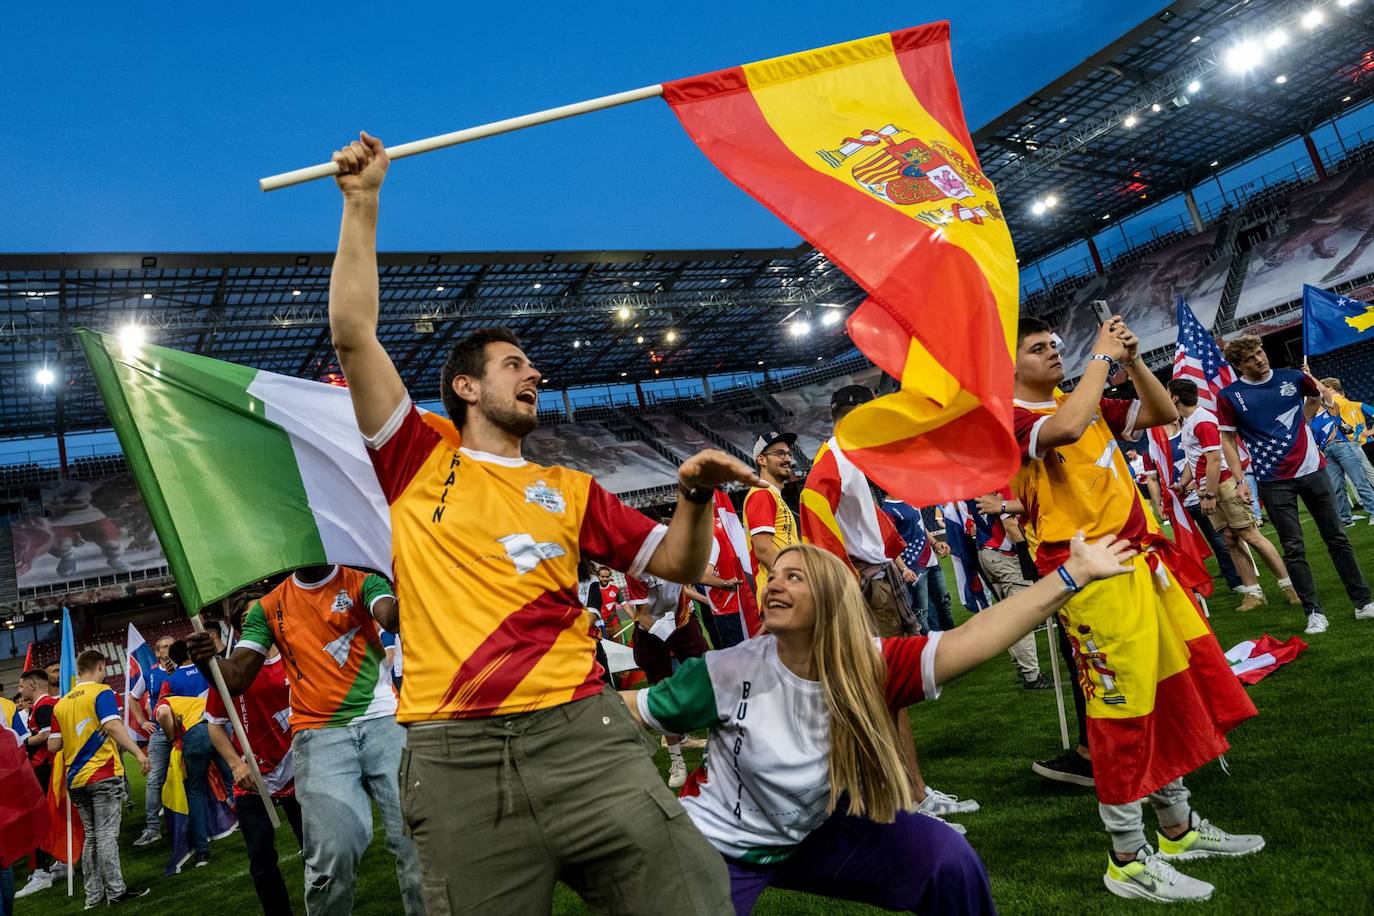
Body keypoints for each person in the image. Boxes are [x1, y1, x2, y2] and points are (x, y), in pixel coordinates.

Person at [323, 129, 758, 915]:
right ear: (464, 386)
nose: (535, 373)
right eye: (514, 364)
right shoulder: (418, 456)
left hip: (585, 735)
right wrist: (363, 202)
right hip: (458, 761)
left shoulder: (573, 488)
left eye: (532, 365)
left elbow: (683, 567)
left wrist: (693, 496)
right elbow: (354, 335)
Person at [621, 537, 1136, 915]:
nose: (774, 581)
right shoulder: (724, 671)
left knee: (947, 861)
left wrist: (1073, 574)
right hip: (718, 845)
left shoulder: (872, 663)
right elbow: (630, 709)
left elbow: (976, 636)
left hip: (815, 828)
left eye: (794, 575)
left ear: (829, 596)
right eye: (774, 574)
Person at [1013, 316, 1263, 903]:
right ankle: (1125, 857)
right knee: (1120, 714)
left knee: (1167, 695)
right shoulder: (1011, 414)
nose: (1053, 352)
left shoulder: (1074, 395)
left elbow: (1160, 414)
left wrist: (1130, 361)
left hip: (1138, 564)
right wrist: (1099, 358)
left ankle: (1176, 829)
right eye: (1037, 347)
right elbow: (1070, 427)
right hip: (1090, 581)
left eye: (1055, 343)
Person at [189, 565, 423, 915]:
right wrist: (208, 661)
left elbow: (389, 617)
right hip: (318, 734)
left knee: (417, 843)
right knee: (332, 856)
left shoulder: (362, 582)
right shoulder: (269, 606)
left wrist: (415, 586)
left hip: (383, 721)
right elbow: (235, 677)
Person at [802, 385, 973, 824]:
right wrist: (848, 578)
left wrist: (889, 553)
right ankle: (905, 799)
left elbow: (858, 519)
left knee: (889, 693)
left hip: (875, 581)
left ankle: (909, 793)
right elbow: (815, 513)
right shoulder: (836, 458)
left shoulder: (846, 457)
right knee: (884, 694)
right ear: (852, 415)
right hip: (865, 589)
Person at [1216, 337, 1374, 633]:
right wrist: (1240, 480)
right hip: (1272, 480)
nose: (1259, 359)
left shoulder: (1293, 377)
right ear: (1238, 365)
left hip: (1313, 469)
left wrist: (1304, 417)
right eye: (1250, 358)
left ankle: (1362, 603)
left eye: (1260, 352)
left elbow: (1318, 397)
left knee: (1337, 538)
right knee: (1293, 547)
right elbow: (1227, 439)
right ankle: (1314, 612)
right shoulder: (1229, 396)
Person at [1167, 379, 1299, 612]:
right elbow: (1194, 458)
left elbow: (1215, 459)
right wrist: (1183, 483)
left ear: (1175, 397)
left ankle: (1290, 586)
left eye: (1168, 393)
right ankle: (1253, 592)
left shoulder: (1202, 420)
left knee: (1250, 534)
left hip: (1222, 484)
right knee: (1229, 538)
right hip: (1208, 487)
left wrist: (1209, 494)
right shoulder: (1188, 422)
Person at [205, 603, 303, 916]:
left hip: (302, 767)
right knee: (261, 857)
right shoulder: (230, 669)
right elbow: (214, 725)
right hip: (254, 776)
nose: (257, 621)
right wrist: (236, 764)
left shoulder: (297, 654)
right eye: (247, 619)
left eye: (262, 613)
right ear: (238, 628)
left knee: (320, 850)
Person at [48, 650, 151, 907]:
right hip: (102, 773)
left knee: (92, 836)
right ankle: (116, 891)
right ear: (101, 666)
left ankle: (93, 896)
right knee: (105, 835)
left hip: (76, 779)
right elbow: (113, 725)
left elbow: (53, 745)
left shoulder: (61, 703)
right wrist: (139, 753)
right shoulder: (101, 692)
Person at [626, 572, 711, 788]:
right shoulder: (635, 566)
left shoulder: (673, 553)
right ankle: (677, 760)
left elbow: (696, 573)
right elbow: (642, 615)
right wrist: (667, 636)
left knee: (710, 675)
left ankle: (721, 746)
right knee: (664, 693)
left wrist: (722, 584)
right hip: (650, 630)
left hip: (682, 620)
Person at [965, 491, 1053, 689]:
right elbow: (1010, 523)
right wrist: (1028, 555)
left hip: (988, 553)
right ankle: (1032, 675)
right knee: (1022, 616)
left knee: (1009, 614)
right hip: (1005, 554)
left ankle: (1024, 668)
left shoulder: (979, 482)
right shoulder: (1001, 481)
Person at [157, 639, 230, 867]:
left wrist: (171, 740)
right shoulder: (210, 668)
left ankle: (202, 852)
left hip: (193, 736)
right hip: (219, 727)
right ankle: (249, 825)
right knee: (235, 779)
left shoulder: (170, 682)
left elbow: (163, 712)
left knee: (196, 791)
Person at [12, 668, 60, 899]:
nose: (19, 691)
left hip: (44, 769)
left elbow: (47, 735)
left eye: (22, 686)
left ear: (32, 685)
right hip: (45, 768)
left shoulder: (44, 706)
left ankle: (42, 872)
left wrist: (22, 742)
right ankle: (55, 863)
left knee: (38, 821)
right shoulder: (42, 706)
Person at [744, 431, 800, 606]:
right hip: (781, 596)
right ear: (762, 460)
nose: (787, 459)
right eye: (779, 453)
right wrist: (792, 585)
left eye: (788, 453)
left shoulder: (772, 495)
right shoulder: (762, 494)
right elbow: (764, 550)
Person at [130, 634, 175, 846]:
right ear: (157, 652)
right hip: (160, 732)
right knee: (155, 778)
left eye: (171, 646)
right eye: (164, 647)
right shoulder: (149, 674)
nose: (168, 649)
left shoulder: (185, 667)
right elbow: (131, 697)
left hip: (188, 728)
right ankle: (152, 828)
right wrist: (141, 720)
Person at [1309, 382, 1374, 526]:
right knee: (1336, 487)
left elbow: (1325, 391)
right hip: (1326, 452)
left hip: (1343, 446)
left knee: (1360, 482)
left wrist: (1309, 376)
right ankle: (1345, 519)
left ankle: (1373, 511)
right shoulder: (1309, 419)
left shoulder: (1331, 408)